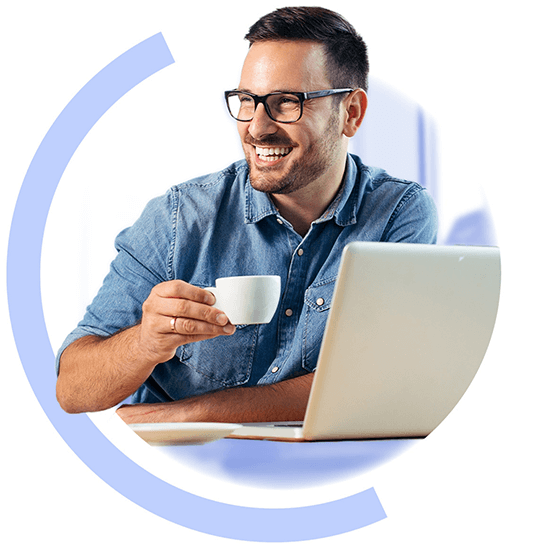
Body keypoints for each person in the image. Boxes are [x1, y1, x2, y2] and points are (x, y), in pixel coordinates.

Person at [55, 6, 438, 424]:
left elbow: (379, 382)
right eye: (247, 101)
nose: (256, 127)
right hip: (191, 471)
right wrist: (146, 343)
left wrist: (191, 414)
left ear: (351, 113)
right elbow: (72, 390)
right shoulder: (178, 218)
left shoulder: (398, 214)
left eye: (286, 103)